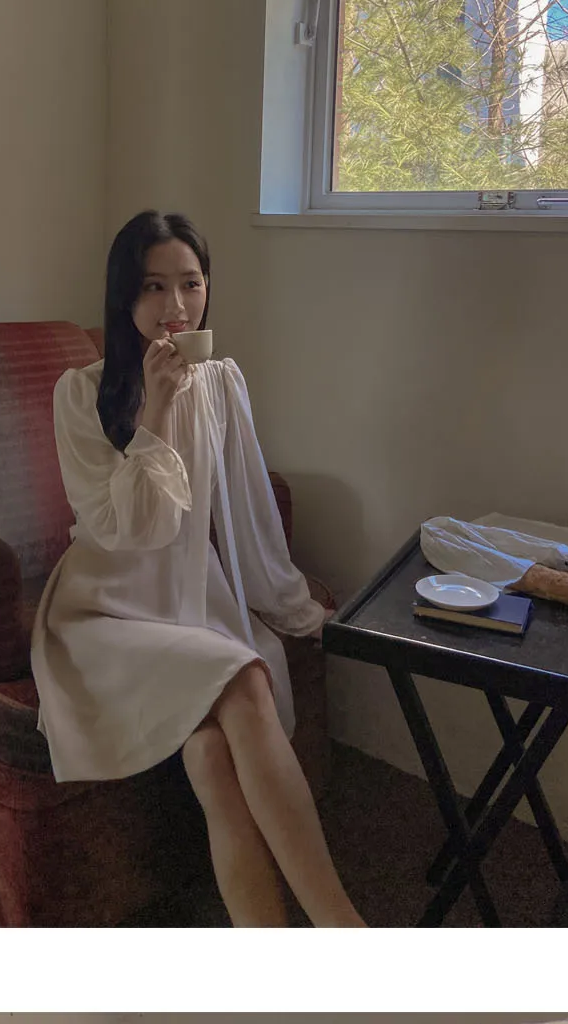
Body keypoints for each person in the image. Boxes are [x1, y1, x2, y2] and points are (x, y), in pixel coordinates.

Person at [31, 207, 363, 929]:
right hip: (103, 612)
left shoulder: (221, 382)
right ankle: (346, 931)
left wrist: (295, 608)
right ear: (125, 295)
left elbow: (248, 509)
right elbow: (125, 530)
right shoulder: (78, 393)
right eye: (154, 287)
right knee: (243, 678)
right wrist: (155, 410)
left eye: (191, 283)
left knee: (211, 755)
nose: (175, 306)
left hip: (190, 598)